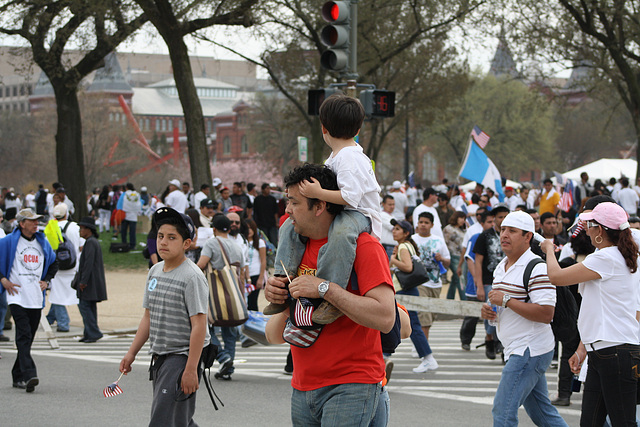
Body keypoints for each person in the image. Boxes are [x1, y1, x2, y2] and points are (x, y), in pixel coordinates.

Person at [264, 163, 395, 426]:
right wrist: (278, 297)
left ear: (320, 205)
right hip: (302, 387)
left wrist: (325, 288)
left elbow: (385, 317)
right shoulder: (294, 247)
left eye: (294, 202)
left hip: (352, 385)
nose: (287, 210)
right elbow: (273, 336)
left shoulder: (364, 246)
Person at [267, 94, 382, 326]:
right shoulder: (338, 156)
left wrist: (318, 193)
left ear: (323, 128)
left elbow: (350, 197)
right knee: (288, 224)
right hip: (346, 209)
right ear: (358, 127)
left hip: (361, 214)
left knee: (340, 234)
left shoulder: (350, 157)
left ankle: (330, 293)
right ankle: (283, 279)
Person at [543, 202, 640, 426]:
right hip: (605, 351)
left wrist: (549, 249)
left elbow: (556, 277)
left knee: (623, 422)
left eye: (589, 224)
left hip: (615, 351)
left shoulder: (606, 257)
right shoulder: (619, 255)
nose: (585, 229)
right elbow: (597, 309)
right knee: (591, 422)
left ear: (601, 229)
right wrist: (582, 349)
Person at [120, 207, 209, 426]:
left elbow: (199, 325)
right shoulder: (155, 271)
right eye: (160, 236)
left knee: (161, 419)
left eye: (172, 238)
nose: (163, 243)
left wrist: (190, 369)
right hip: (159, 357)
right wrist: (131, 353)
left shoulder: (192, 276)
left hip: (180, 357)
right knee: (179, 419)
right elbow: (148, 318)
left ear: (186, 244)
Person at [481, 211, 568, 427]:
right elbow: (502, 305)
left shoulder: (537, 268)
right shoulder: (502, 266)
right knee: (542, 413)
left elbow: (546, 313)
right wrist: (491, 314)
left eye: (512, 231)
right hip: (516, 348)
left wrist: (507, 300)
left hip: (529, 349)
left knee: (503, 412)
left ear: (528, 236)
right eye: (502, 230)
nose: (504, 235)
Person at [0, 209, 59, 392]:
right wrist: (3, 279)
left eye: (37, 221)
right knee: (23, 334)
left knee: (28, 337)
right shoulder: (8, 242)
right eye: (31, 221)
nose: (36, 224)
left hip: (35, 296)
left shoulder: (42, 242)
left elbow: (54, 263)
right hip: (16, 295)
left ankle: (17, 375)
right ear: (21, 223)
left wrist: (47, 280)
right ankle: (29, 374)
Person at [196, 214, 245, 381]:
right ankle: (228, 367)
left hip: (214, 294)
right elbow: (242, 273)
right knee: (229, 330)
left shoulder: (211, 243)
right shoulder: (237, 246)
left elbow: (201, 265)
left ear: (214, 229)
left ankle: (223, 358)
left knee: (206, 330)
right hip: (233, 295)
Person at [390, 218, 439, 373]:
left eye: (398, 229)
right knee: (407, 324)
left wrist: (392, 260)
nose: (394, 231)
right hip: (407, 289)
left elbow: (407, 267)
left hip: (406, 290)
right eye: (394, 228)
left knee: (413, 326)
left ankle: (428, 358)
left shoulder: (404, 246)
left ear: (406, 233)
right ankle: (426, 358)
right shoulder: (406, 245)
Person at [45, 204, 80, 333]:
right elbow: (81, 245)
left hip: (57, 267)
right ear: (67, 214)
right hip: (73, 265)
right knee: (73, 293)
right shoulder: (75, 227)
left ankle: (59, 320)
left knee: (57, 294)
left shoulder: (50, 228)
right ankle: (60, 321)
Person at [75, 217, 107, 343]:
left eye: (82, 228)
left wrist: (83, 281)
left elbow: (87, 264)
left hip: (89, 282)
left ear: (89, 230)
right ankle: (88, 332)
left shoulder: (91, 243)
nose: (80, 231)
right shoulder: (92, 242)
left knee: (85, 307)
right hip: (91, 281)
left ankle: (93, 332)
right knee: (89, 307)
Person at [443, 211, 466, 300]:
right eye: (460, 218)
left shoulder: (463, 230)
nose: (462, 220)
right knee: (460, 277)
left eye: (464, 219)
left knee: (455, 279)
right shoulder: (448, 229)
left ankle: (449, 298)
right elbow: (445, 242)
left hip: (461, 256)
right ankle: (464, 299)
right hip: (452, 255)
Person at [245, 219, 267, 311]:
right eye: (247, 228)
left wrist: (261, 278)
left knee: (253, 302)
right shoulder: (242, 242)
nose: (249, 231)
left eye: (251, 228)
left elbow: (263, 260)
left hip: (255, 274)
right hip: (244, 275)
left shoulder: (260, 242)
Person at [117, 183, 142, 250]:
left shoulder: (124, 194)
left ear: (126, 188)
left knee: (124, 231)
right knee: (132, 232)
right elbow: (140, 203)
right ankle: (132, 245)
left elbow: (120, 204)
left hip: (125, 215)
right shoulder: (137, 194)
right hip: (133, 216)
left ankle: (124, 244)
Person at [380, 195, 396, 259]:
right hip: (387, 247)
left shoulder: (392, 216)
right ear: (383, 204)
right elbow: (393, 228)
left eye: (393, 204)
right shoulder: (382, 215)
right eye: (390, 204)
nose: (392, 207)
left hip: (392, 247)